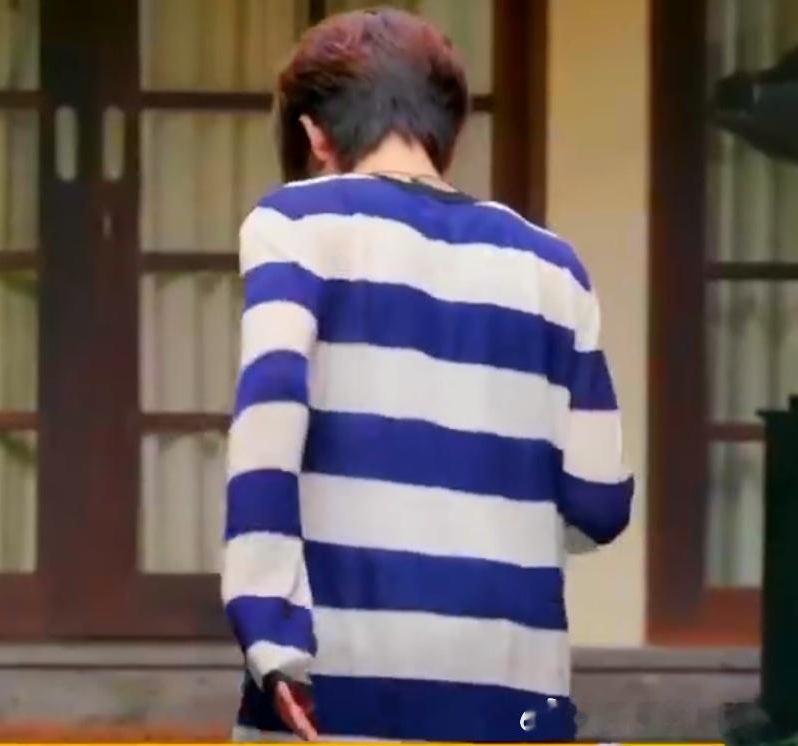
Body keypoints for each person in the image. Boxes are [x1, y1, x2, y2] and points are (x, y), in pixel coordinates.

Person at [221, 7, 634, 742]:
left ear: (315, 134)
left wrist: (269, 632)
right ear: (447, 130)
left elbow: (268, 425)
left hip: (341, 677)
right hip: (513, 689)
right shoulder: (553, 266)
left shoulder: (296, 226)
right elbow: (599, 505)